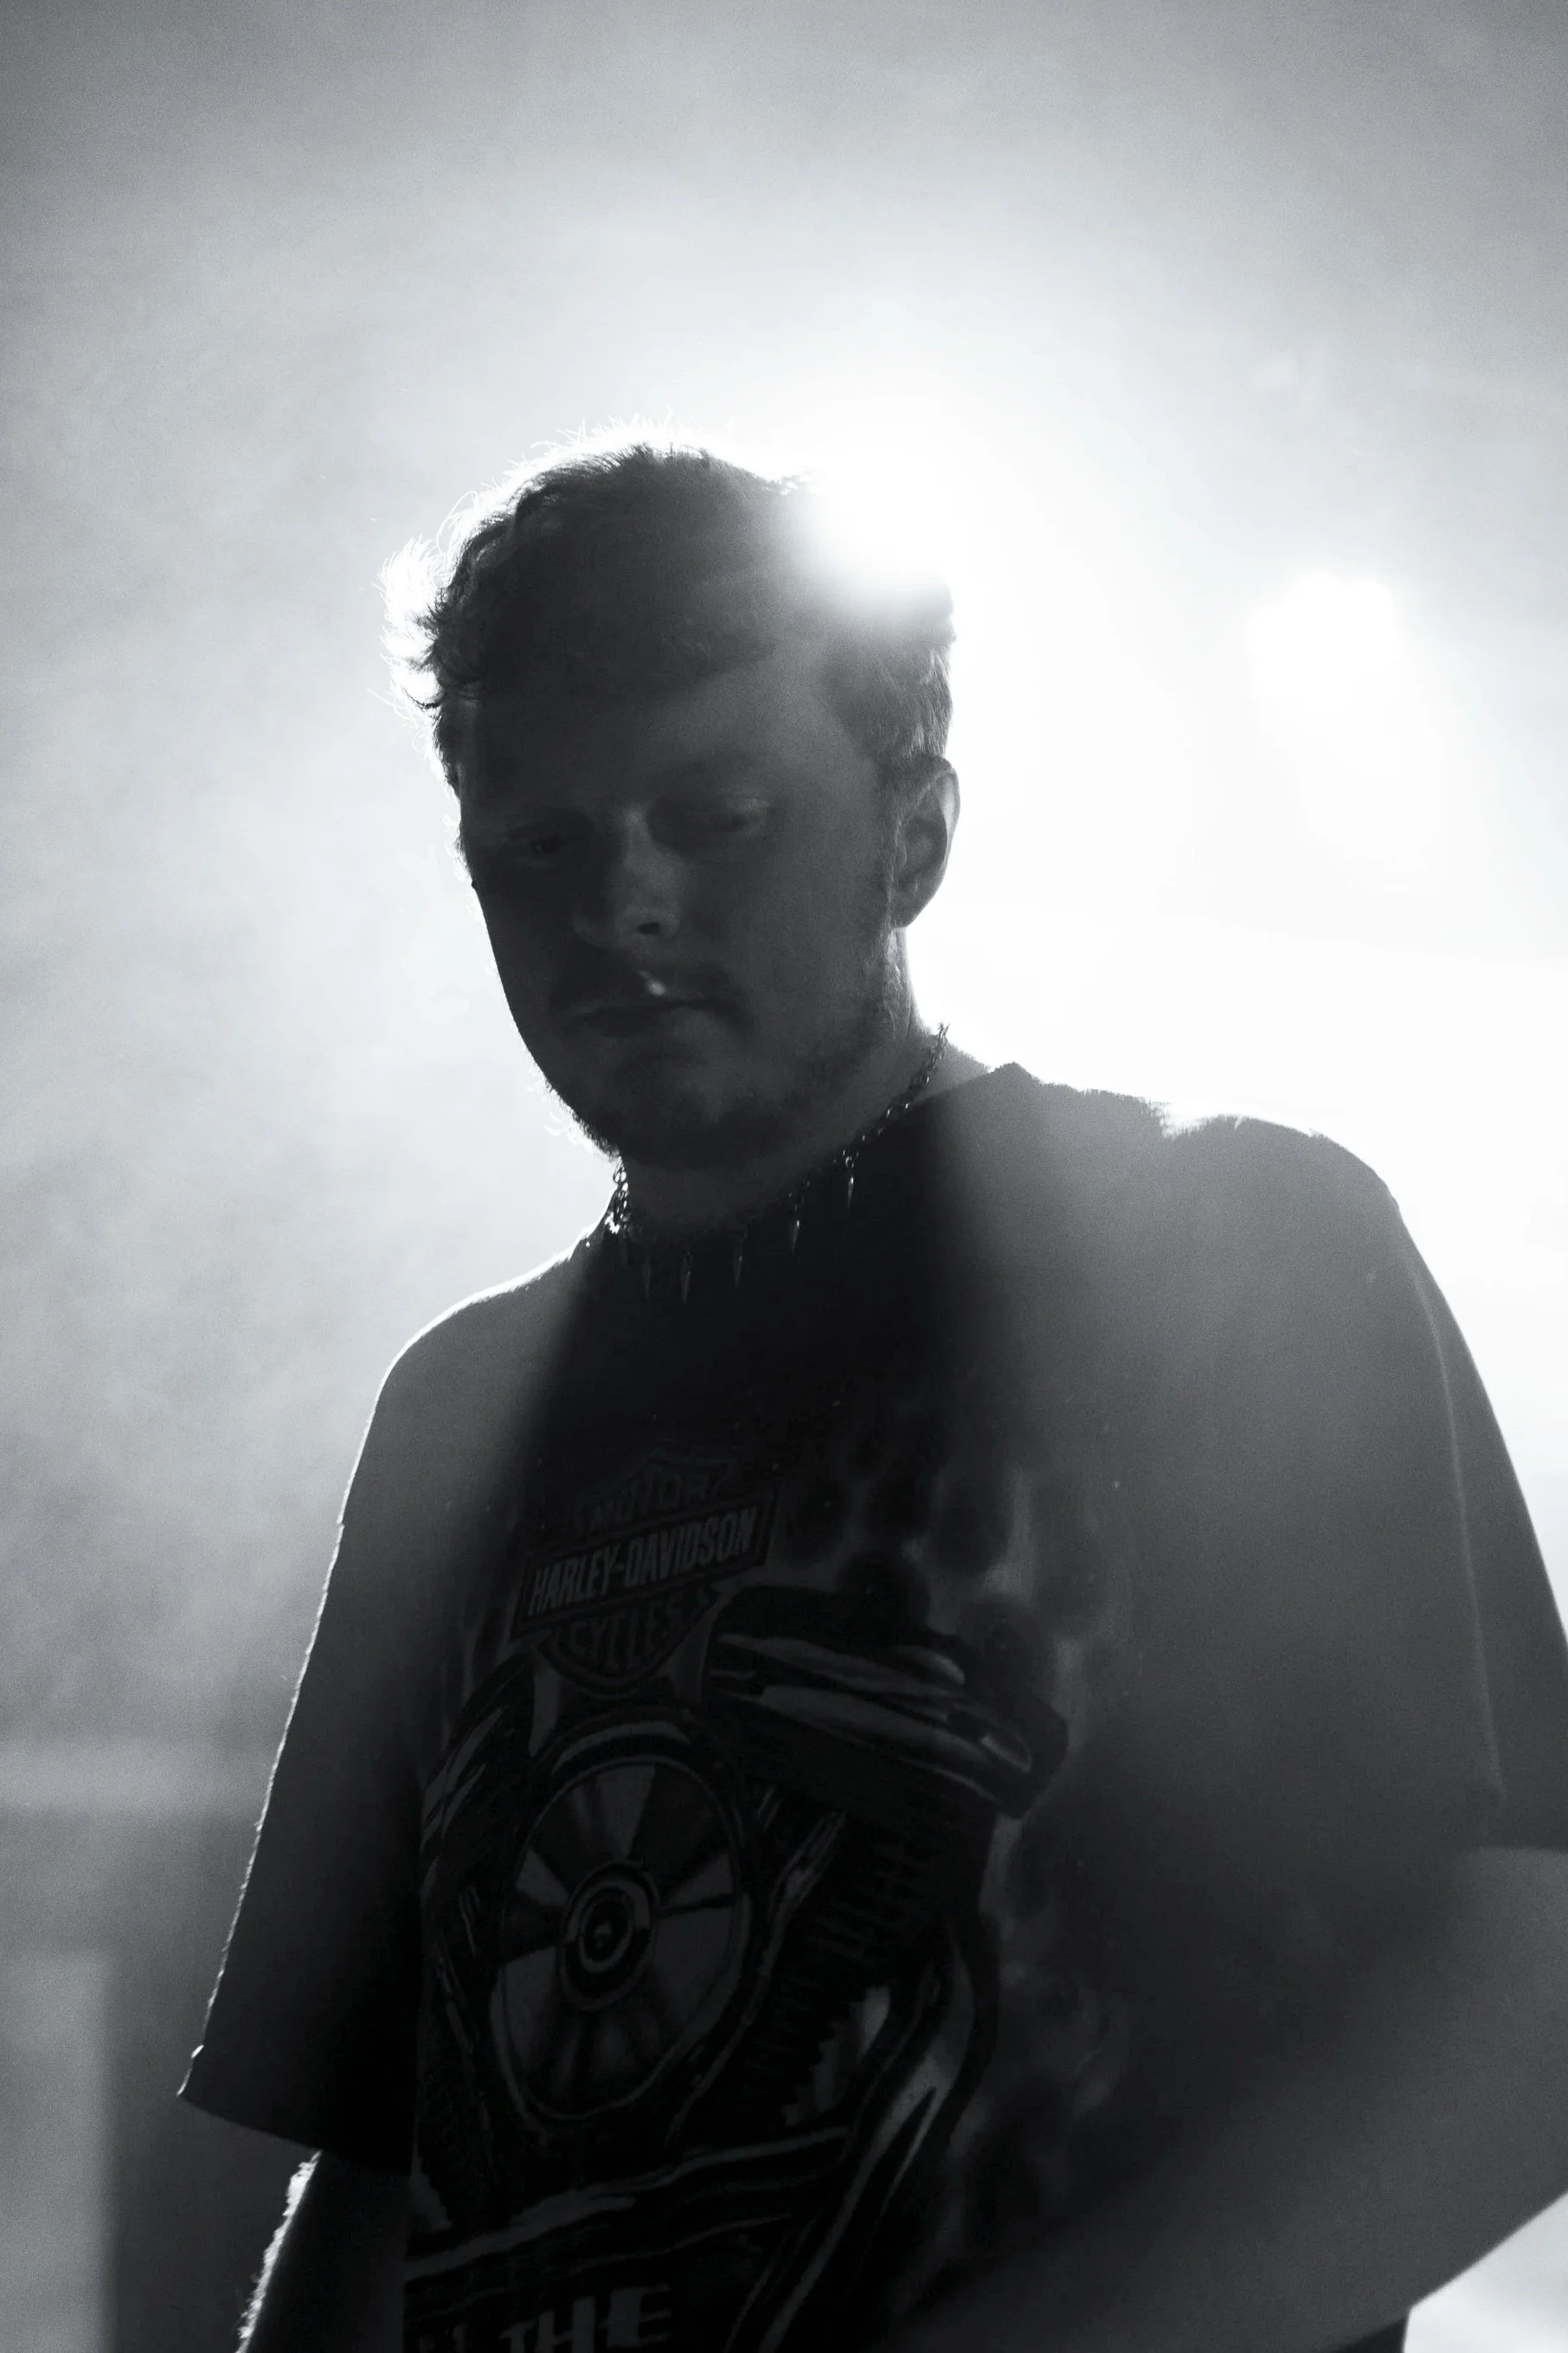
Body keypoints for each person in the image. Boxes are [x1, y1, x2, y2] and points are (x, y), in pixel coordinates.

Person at [183, 441, 1568, 2353]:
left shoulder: (1223, 1237)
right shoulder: (457, 1412)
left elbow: (1529, 1997)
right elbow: (378, 2165)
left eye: (717, 813)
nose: (625, 906)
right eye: (541, 850)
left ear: (914, 836)